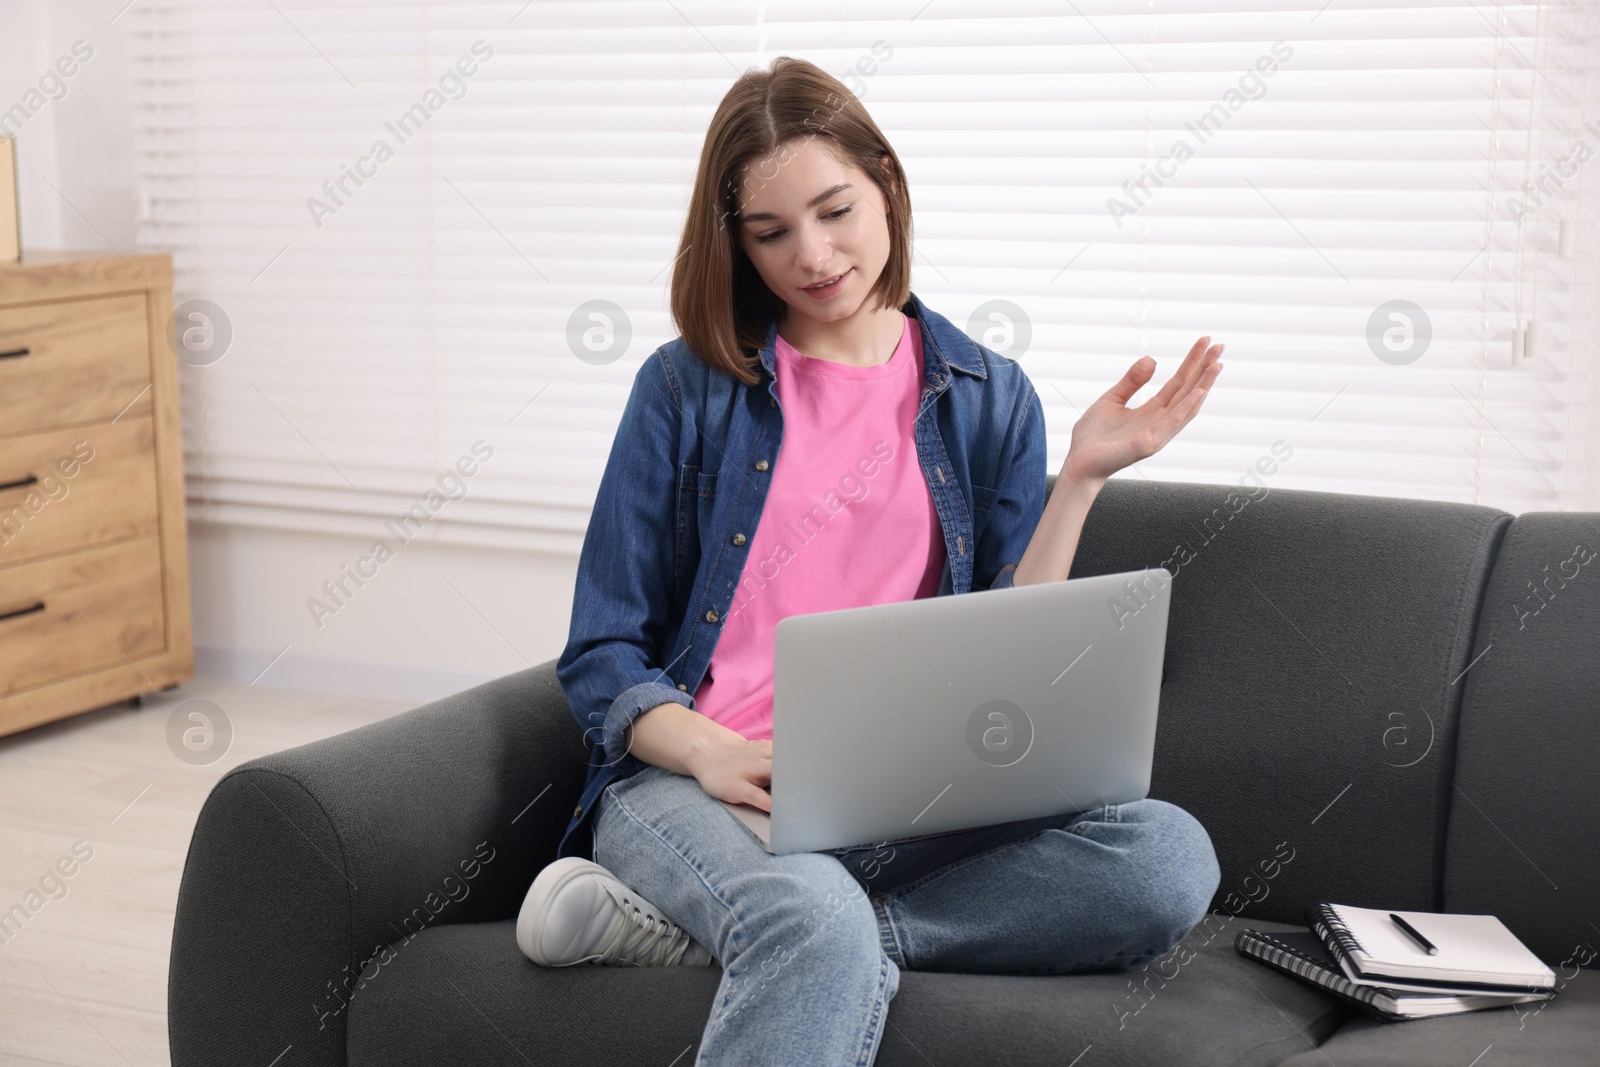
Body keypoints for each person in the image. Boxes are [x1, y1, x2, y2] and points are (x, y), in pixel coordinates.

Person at [515, 55, 1224, 1065]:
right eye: (770, 233)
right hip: (702, 783)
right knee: (811, 915)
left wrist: (1081, 479)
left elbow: (1006, 643)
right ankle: (798, 926)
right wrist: (712, 752)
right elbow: (601, 654)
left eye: (834, 209)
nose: (812, 254)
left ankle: (730, 936)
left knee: (1164, 856)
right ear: (737, 244)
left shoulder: (987, 393)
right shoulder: (685, 388)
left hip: (900, 803)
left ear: (884, 181)